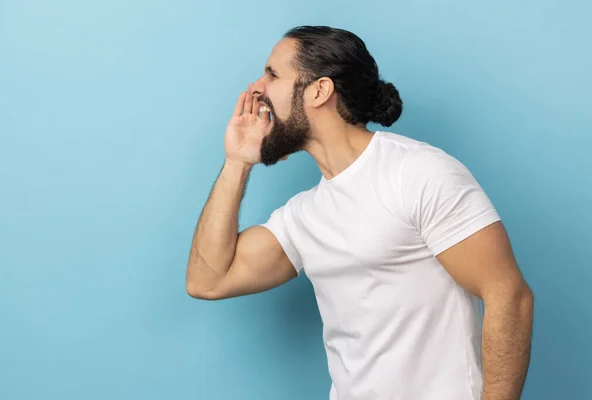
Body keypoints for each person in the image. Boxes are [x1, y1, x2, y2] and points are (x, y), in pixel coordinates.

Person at [186, 25, 534, 400]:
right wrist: (237, 162)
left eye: (272, 74)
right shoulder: (303, 215)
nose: (256, 88)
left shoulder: (416, 172)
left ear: (319, 90)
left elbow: (508, 296)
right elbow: (207, 281)